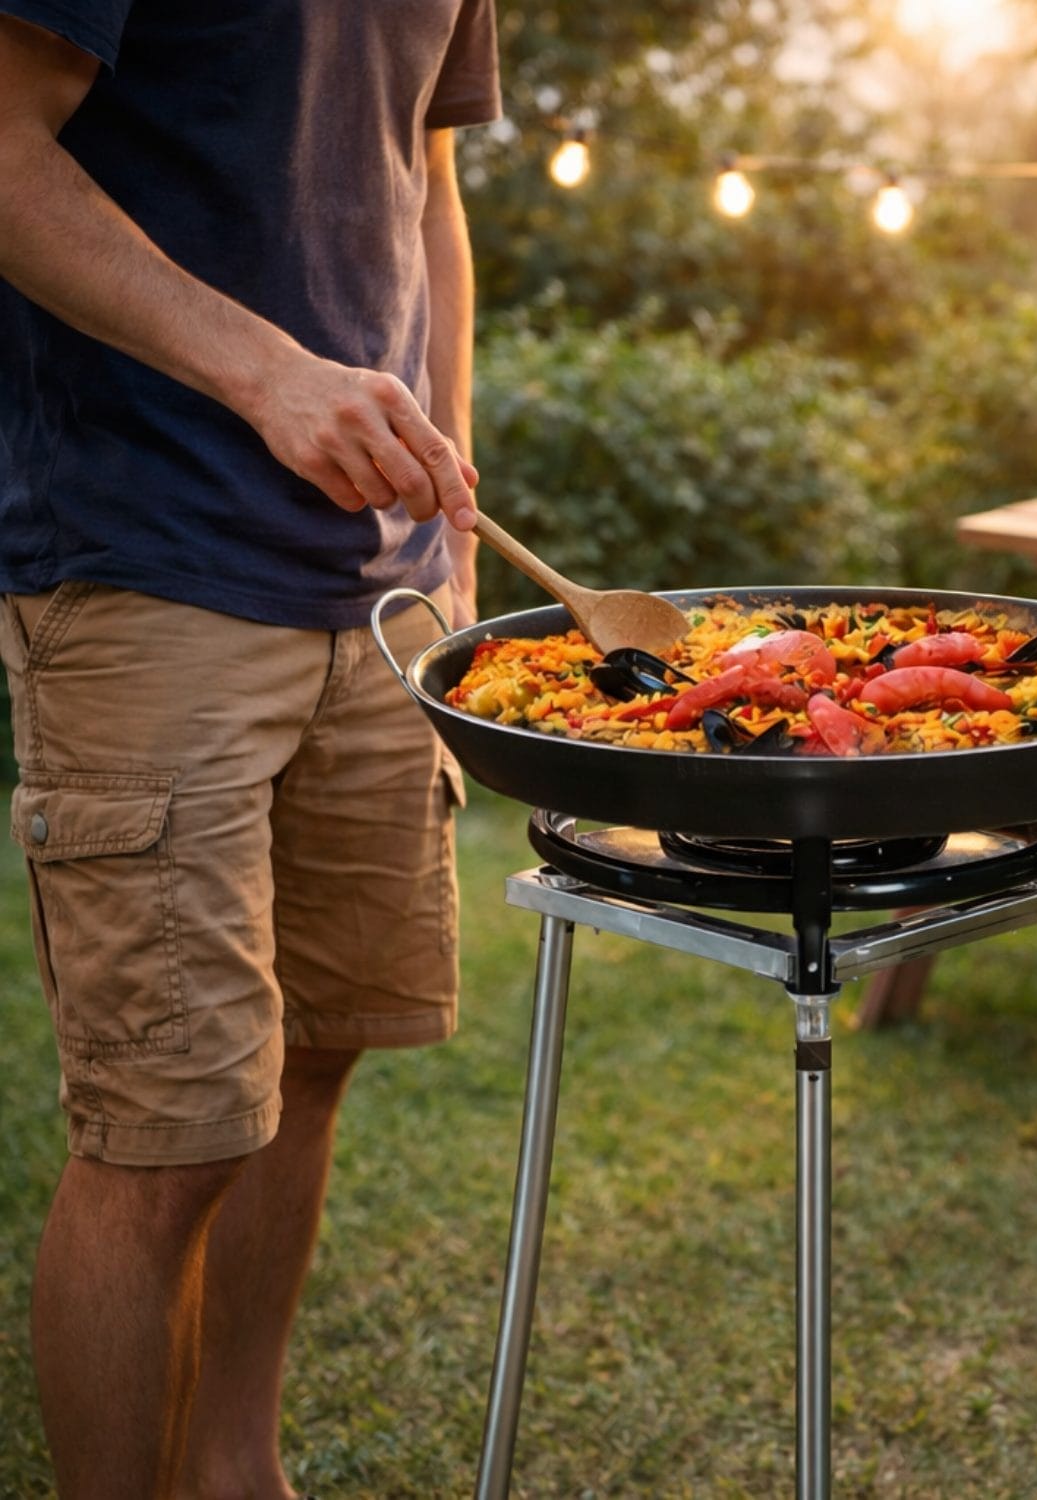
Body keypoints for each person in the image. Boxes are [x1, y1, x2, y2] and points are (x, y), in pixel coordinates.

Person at [0, 4, 501, 1496]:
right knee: (170, 1132)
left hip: (382, 580)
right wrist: (268, 374)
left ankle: (237, 1474)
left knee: (312, 1060)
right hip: (146, 553)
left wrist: (455, 519)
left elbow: (427, 177)